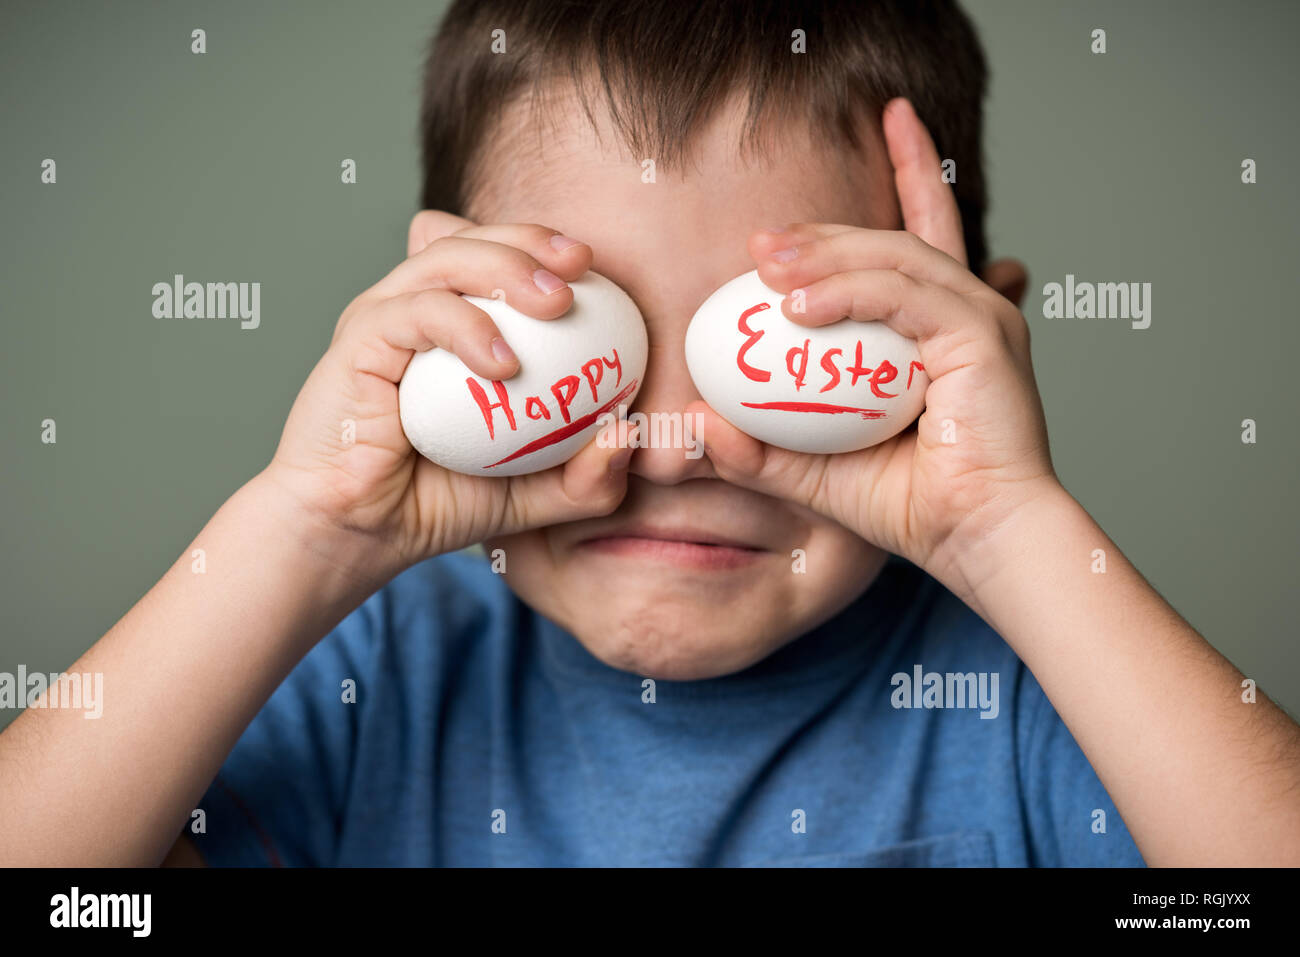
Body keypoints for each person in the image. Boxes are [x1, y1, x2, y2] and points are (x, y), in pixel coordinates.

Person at [2, 0, 1297, 867]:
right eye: (593, 345)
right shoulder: (372, 678)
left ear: (972, 355)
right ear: (439, 321)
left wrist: (1006, 523)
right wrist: (300, 528)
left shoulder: (1036, 701)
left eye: (777, 350)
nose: (676, 443)